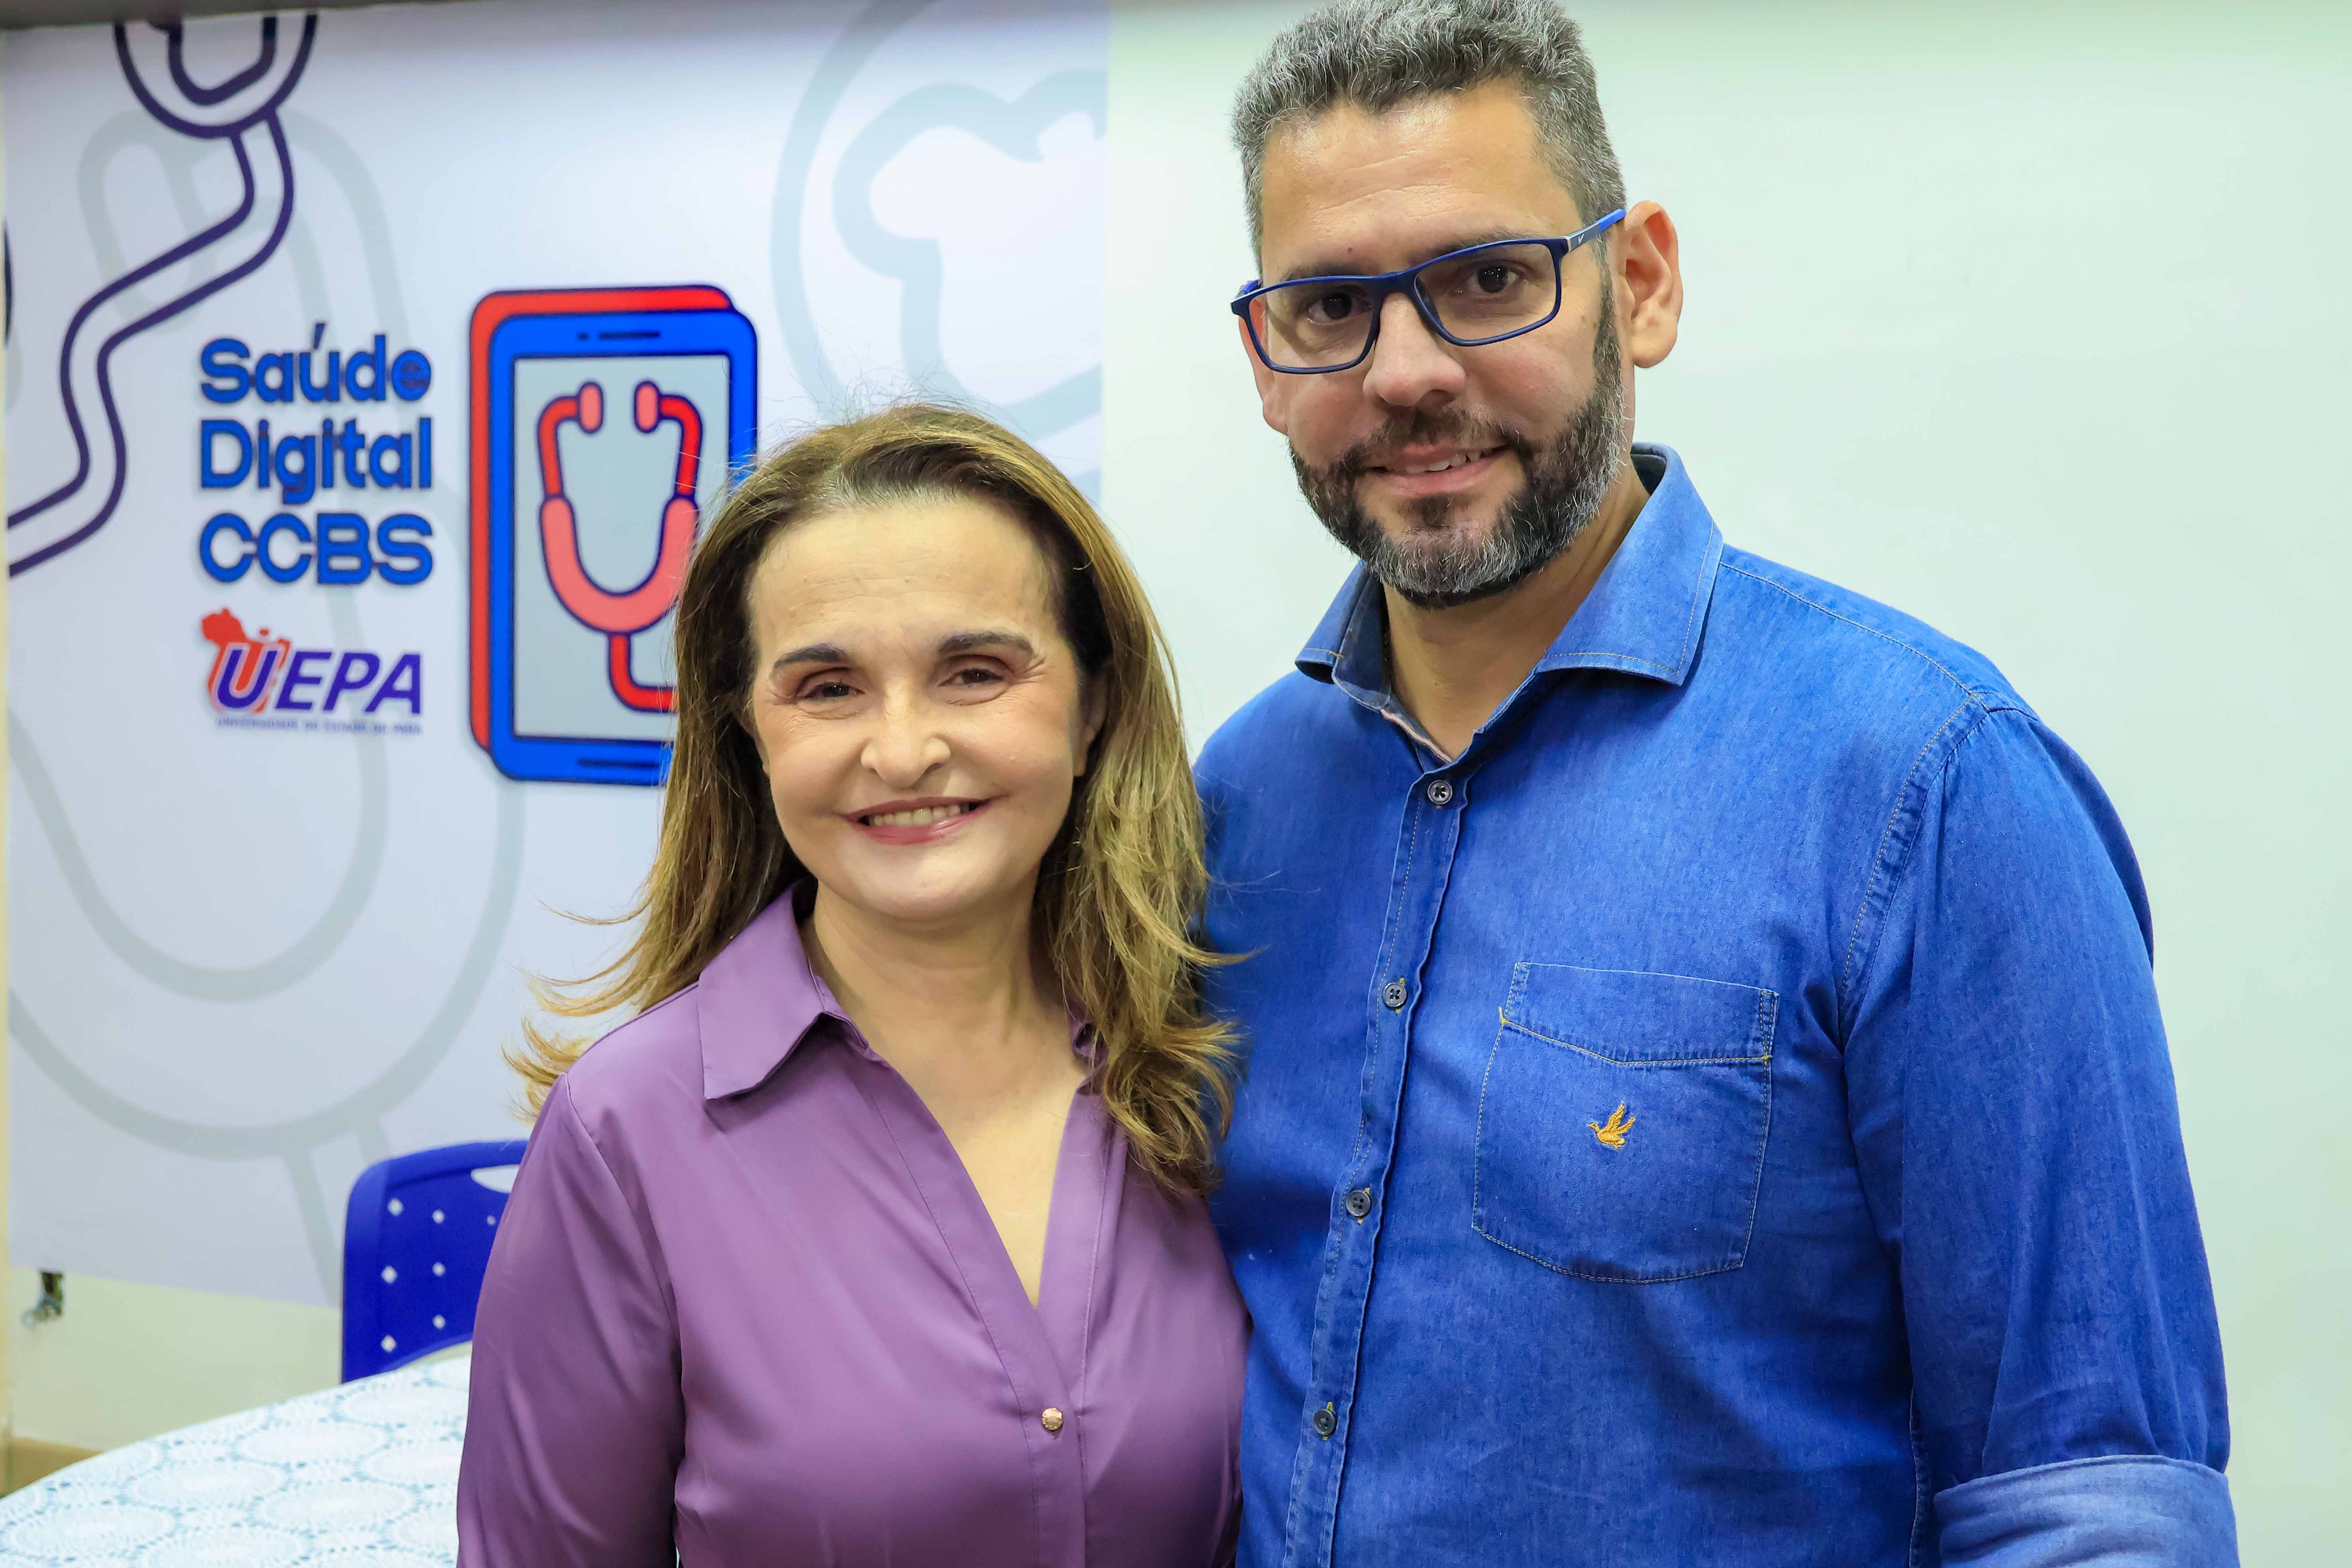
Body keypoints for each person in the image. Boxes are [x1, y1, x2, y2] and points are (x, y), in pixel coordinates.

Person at [1196, 2, 2234, 1565]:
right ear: (1265, 361)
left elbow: (2089, 1502)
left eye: (1487, 280)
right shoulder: (1234, 808)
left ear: (1639, 284)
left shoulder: (1926, 790)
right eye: (1330, 306)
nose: (1403, 373)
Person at [457, 405, 1246, 1566]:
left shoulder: (1214, 1066)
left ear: (1095, 710)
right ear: (749, 734)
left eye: (974, 673)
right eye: (827, 689)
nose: (902, 749)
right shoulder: (627, 1134)